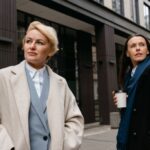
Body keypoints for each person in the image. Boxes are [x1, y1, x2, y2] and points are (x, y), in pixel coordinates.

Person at [0, 21, 84, 150]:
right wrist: (7, 147)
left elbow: (75, 120)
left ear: (50, 51)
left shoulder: (60, 83)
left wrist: (64, 145)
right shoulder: (4, 77)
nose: (32, 46)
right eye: (28, 41)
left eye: (39, 42)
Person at [113, 34, 150, 150]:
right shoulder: (129, 76)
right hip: (130, 135)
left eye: (142, 45)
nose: (138, 48)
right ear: (127, 53)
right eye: (133, 46)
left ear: (148, 50)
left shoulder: (148, 70)